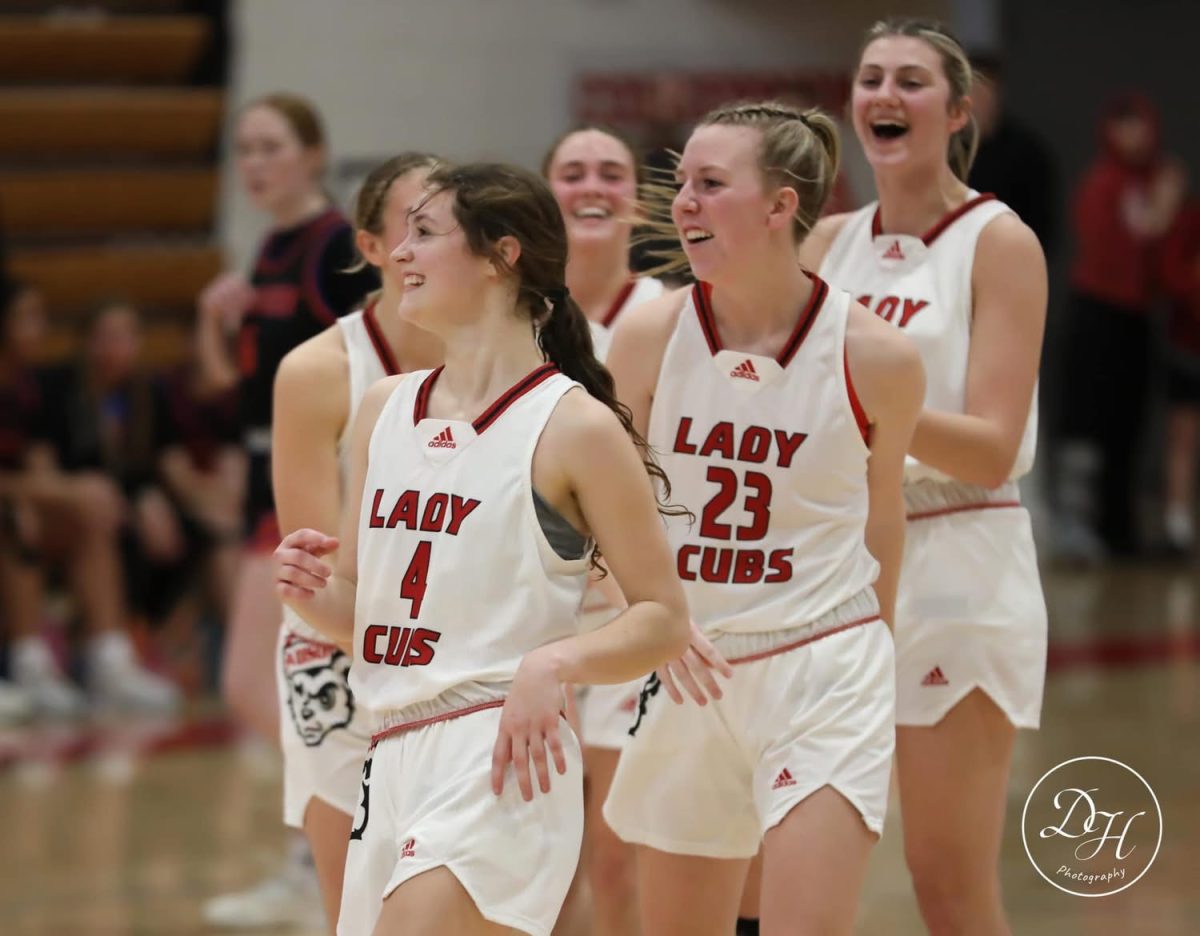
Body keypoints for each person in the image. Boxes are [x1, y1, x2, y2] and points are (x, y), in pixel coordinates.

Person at [274, 162, 689, 936]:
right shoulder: (383, 410)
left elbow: (663, 617)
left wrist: (556, 662)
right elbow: (360, 614)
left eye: (424, 234)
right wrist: (308, 592)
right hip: (390, 745)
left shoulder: (574, 425)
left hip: (499, 751)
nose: (399, 254)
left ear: (502, 257)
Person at [602, 101, 924, 935]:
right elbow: (601, 509)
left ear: (781, 206)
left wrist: (873, 657)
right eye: (682, 184)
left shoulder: (874, 354)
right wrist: (643, 614)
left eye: (712, 184)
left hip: (823, 665)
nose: (684, 203)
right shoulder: (649, 332)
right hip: (689, 665)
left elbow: (881, 518)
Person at [806, 18, 1047, 935]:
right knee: (800, 866)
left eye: (911, 81)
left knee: (945, 881)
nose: (885, 96)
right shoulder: (826, 245)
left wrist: (879, 399)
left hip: (959, 555)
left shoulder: (998, 241)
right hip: (840, 563)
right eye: (871, 78)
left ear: (957, 111)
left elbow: (990, 445)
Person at [197, 92, 378, 929]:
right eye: (244, 149)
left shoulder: (337, 247)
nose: (255, 163)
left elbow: (379, 362)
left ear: (312, 154)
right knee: (253, 685)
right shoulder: (269, 251)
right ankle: (330, 835)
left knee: (285, 680)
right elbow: (236, 395)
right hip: (266, 482)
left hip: (320, 484)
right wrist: (211, 320)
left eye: (271, 146)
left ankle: (332, 839)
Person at [270, 152, 444, 930]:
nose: (428, 244)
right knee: (359, 915)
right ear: (370, 247)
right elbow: (319, 573)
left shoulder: (507, 357)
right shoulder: (318, 371)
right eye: (412, 225)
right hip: (342, 650)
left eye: (444, 225)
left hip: (464, 651)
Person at [542, 125, 663, 936]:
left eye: (612, 173)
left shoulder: (674, 314)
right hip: (535, 606)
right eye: (573, 171)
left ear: (640, 200)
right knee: (545, 855)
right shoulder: (515, 316)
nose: (593, 185)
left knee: (618, 856)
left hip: (632, 608)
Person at [0, 283, 177, 716]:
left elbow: (37, 466)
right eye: (27, 317)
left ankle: (108, 662)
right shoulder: (54, 387)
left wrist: (54, 497)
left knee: (86, 520)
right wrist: (51, 493)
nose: (39, 328)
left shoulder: (25, 388)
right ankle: (27, 663)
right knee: (15, 521)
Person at [1055, 92, 1185, 559]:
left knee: (1127, 430)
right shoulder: (1103, 184)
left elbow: (1165, 263)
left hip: (1136, 319)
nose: (1134, 135)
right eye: (1124, 125)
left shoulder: (1152, 180)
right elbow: (1121, 249)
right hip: (1098, 315)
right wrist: (1163, 209)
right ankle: (1077, 530)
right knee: (1089, 426)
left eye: (1140, 124)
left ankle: (1120, 531)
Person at [1162, 199, 1200, 553]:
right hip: (1189, 346)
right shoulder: (1191, 220)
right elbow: (1172, 273)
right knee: (1183, 437)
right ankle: (1177, 524)